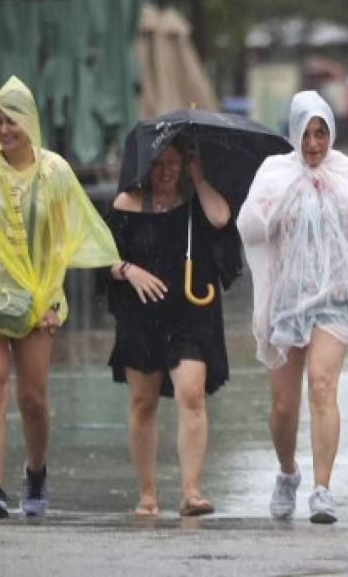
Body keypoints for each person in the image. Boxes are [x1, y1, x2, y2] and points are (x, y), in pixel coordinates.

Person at [0, 76, 120, 518]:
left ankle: (36, 472)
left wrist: (53, 301)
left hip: (36, 296)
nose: (3, 130)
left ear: (28, 120)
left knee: (32, 398)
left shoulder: (55, 171)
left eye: (10, 120)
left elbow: (63, 238)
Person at [237, 91, 348, 523]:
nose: (312, 143)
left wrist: (340, 197)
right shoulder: (275, 171)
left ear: (331, 133)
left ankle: (323, 489)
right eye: (305, 134)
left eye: (320, 133)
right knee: (284, 405)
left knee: (323, 387)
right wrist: (280, 201)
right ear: (293, 133)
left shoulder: (347, 171)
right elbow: (249, 228)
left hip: (334, 298)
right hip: (286, 301)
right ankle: (287, 472)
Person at [106, 139, 233, 517]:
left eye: (173, 162)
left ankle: (191, 490)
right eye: (158, 162)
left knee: (192, 394)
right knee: (142, 403)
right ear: (146, 165)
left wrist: (199, 177)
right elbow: (102, 258)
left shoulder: (196, 204)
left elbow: (222, 218)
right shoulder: (125, 204)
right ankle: (147, 494)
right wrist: (130, 271)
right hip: (140, 315)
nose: (165, 170)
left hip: (190, 312)